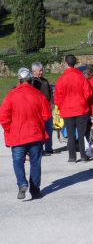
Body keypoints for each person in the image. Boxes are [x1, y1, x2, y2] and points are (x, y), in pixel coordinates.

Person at [0, 68, 51, 199]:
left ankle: (22, 183)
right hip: (35, 134)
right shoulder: (38, 94)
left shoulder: (11, 95)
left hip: (17, 136)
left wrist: (8, 130)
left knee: (17, 161)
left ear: (19, 80)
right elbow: (46, 115)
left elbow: (3, 116)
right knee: (35, 162)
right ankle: (35, 190)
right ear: (30, 80)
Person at [54, 55, 93, 162]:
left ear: (65, 63)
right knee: (82, 134)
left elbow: (57, 97)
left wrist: (62, 106)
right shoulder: (81, 78)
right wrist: (83, 102)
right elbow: (88, 93)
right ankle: (83, 155)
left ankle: (72, 156)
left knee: (70, 135)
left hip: (67, 110)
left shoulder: (61, 79)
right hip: (81, 109)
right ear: (75, 63)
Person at [31, 62, 54, 155]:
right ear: (34, 71)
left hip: (47, 109)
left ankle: (48, 148)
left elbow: (50, 92)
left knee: (49, 129)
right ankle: (40, 149)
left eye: (42, 70)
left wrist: (52, 103)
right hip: (38, 110)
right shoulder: (32, 82)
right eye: (39, 70)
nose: (41, 72)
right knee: (39, 130)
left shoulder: (45, 81)